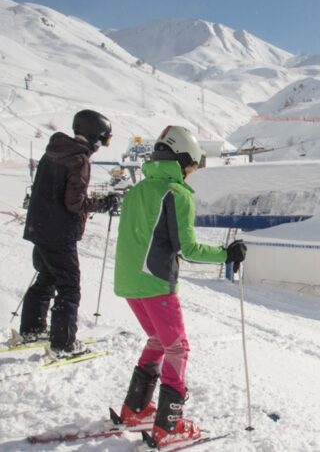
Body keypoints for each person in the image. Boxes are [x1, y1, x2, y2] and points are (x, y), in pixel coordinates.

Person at [113, 126, 247, 448]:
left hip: (130, 282)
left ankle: (135, 409)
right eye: (193, 165)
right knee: (177, 348)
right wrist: (227, 254)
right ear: (182, 158)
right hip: (156, 284)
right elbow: (189, 249)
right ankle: (168, 425)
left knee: (159, 340)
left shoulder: (137, 190)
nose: (192, 172)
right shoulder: (177, 193)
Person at [18, 110, 116, 355]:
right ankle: (63, 343)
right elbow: (74, 203)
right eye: (103, 141)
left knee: (47, 276)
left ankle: (32, 327)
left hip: (39, 227)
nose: (100, 147)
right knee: (69, 285)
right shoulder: (78, 160)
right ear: (95, 137)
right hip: (58, 232)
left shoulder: (55, 150)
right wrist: (102, 203)